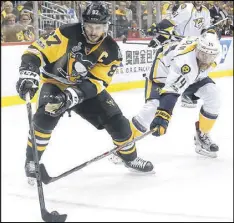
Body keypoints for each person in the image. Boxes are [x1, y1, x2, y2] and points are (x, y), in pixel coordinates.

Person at [16, 3, 154, 185]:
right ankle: (32, 162)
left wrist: (71, 96)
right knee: (45, 117)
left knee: (118, 122)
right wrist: (29, 72)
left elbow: (98, 82)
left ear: (106, 27)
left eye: (98, 27)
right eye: (89, 26)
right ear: (83, 24)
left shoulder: (111, 50)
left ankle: (129, 157)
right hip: (55, 83)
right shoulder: (67, 33)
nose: (93, 32)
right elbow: (36, 51)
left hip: (85, 90)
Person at [129, 31, 221, 160]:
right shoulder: (185, 62)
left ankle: (202, 134)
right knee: (152, 108)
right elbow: (172, 90)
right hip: (162, 76)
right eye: (203, 55)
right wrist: (163, 115)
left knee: (213, 95)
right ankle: (124, 146)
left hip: (192, 77)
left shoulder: (214, 50)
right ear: (197, 49)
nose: (206, 60)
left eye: (209, 57)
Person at [146, 1, 221, 108]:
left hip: (194, 47)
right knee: (180, 71)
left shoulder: (205, 11)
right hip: (179, 45)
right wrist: (158, 27)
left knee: (199, 72)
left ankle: (188, 94)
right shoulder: (187, 7)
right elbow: (172, 22)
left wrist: (211, 32)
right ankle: (162, 96)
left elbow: (205, 29)